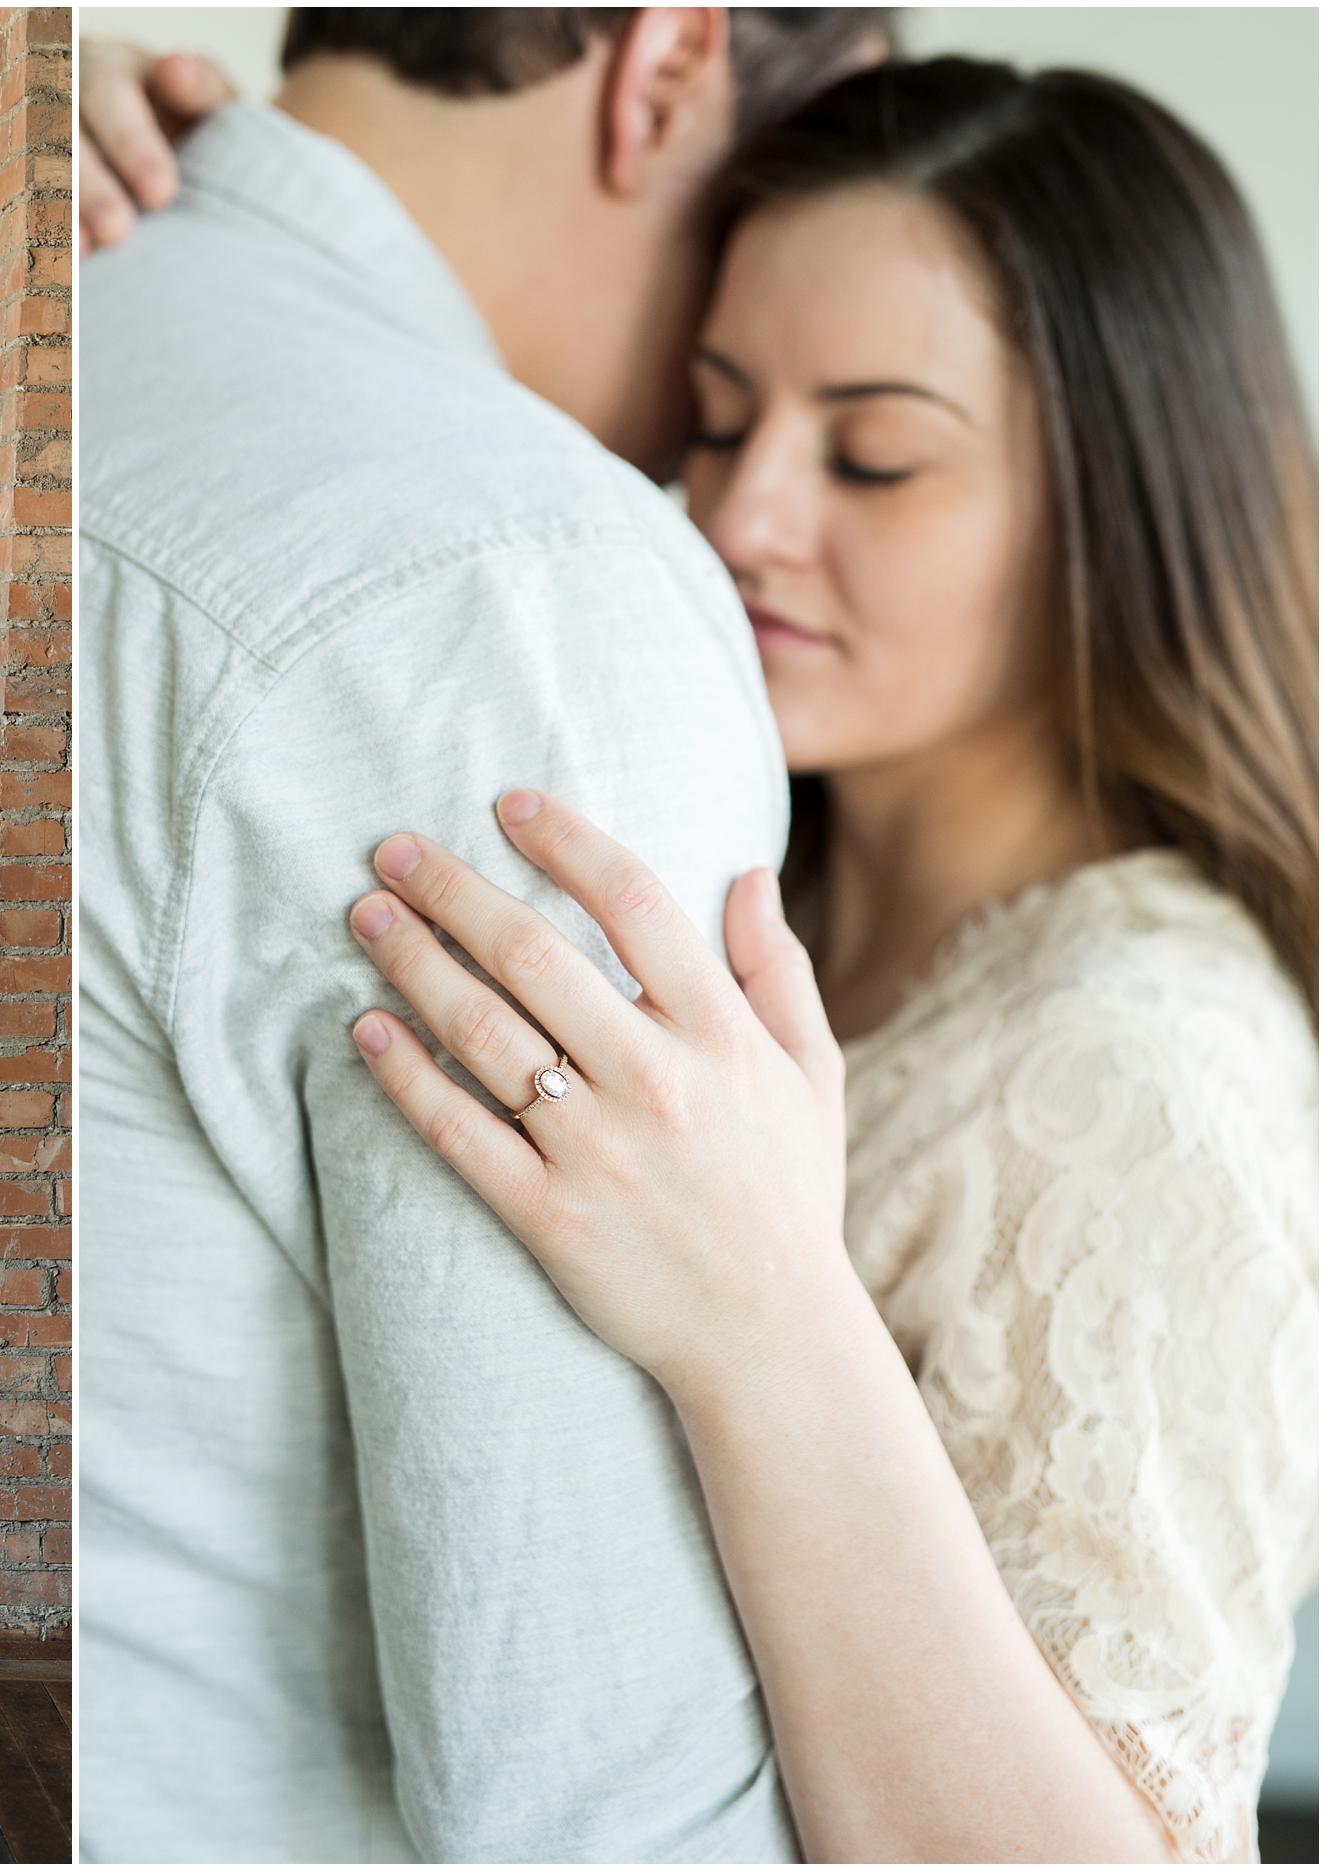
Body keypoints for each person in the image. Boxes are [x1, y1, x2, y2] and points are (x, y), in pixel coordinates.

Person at [90, 33, 1317, 1865]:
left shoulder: (1145, 1065)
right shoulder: (750, 859)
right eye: (722, 414)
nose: (741, 519)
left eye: (878, 458)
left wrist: (770, 1325)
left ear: (1114, 503)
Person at [77, 9, 884, 1860]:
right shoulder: (530, 590)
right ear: (668, 62)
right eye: (782, 189)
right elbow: (607, 1804)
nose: (731, 480)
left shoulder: (58, 299)